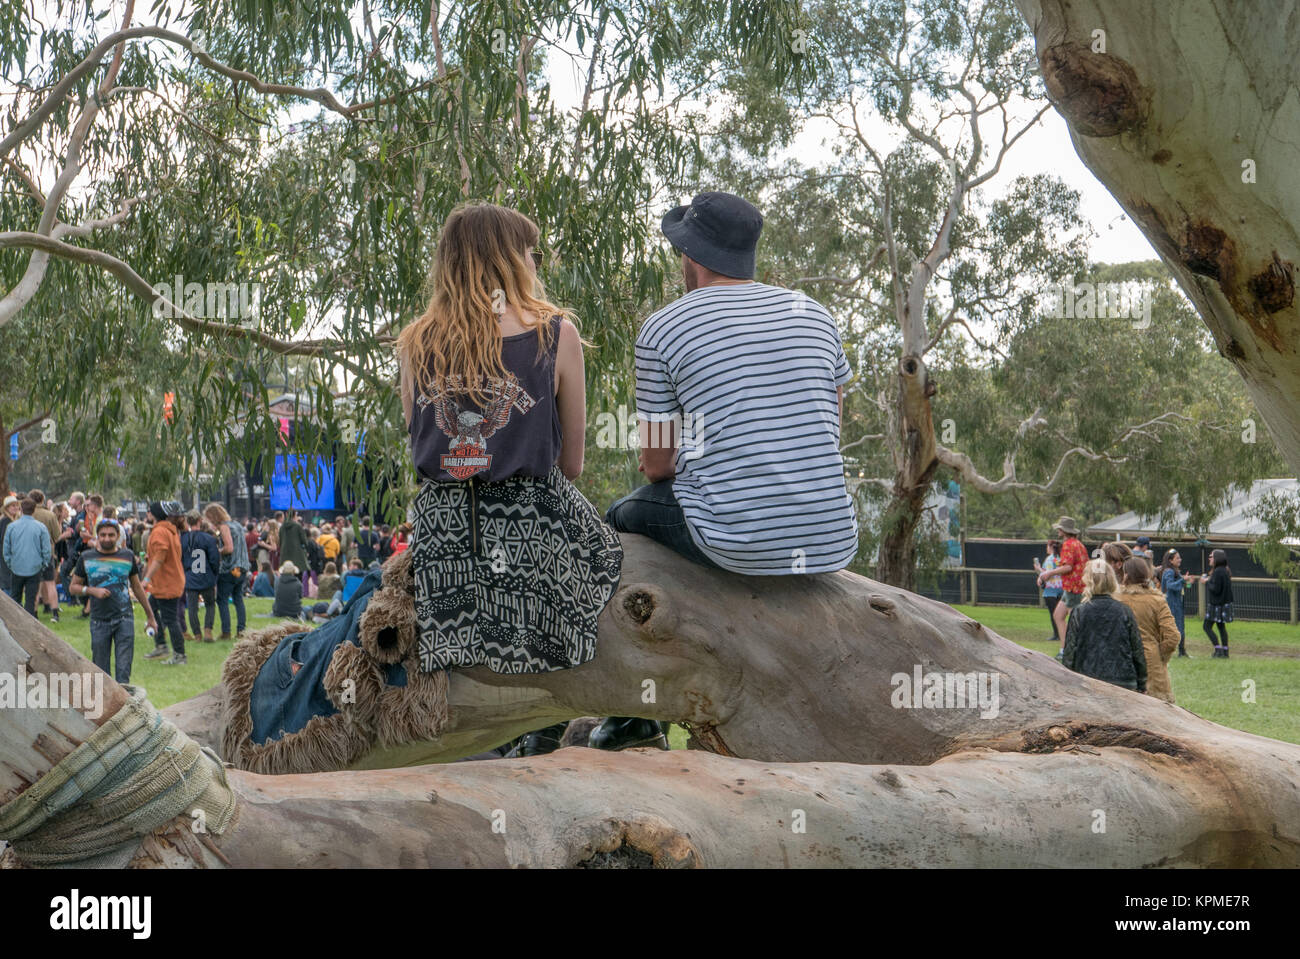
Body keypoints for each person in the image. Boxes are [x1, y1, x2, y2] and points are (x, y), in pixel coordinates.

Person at [595, 191, 857, 751]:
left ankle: (632, 719)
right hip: (831, 536)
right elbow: (831, 429)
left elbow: (655, 463)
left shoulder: (664, 328)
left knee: (619, 520)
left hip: (736, 539)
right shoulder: (814, 313)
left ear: (689, 257)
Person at [397, 201, 623, 759]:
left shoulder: (413, 344)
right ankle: (575, 719)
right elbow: (571, 465)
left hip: (446, 535)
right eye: (529, 250)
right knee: (612, 561)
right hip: (532, 527)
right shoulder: (554, 334)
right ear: (509, 259)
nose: (535, 260)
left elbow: (419, 443)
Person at [70, 518, 156, 684]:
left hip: (124, 618)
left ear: (118, 536)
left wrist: (150, 616)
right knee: (101, 672)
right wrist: (92, 590)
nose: (107, 538)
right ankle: (105, 706)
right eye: (102, 535)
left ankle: (125, 706)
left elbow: (137, 587)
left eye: (111, 535)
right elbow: (73, 587)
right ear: (97, 536)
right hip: (99, 621)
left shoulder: (127, 555)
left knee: (124, 670)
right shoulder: (87, 558)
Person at [1062, 558, 1147, 693]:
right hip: (1123, 681)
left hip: (1088, 680)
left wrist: (1067, 681)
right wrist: (1142, 683)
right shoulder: (1124, 611)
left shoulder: (1079, 612)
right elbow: (1137, 650)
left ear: (1087, 581)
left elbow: (1070, 652)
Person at [1116, 556, 1181, 703]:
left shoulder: (1117, 599)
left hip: (1123, 660)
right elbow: (1172, 637)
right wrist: (1161, 656)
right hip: (1151, 663)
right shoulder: (1156, 601)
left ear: (1126, 575)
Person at [141, 501, 188, 665]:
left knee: (170, 619)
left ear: (153, 514)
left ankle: (179, 655)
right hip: (168, 581)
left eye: (148, 512)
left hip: (166, 583)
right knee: (151, 611)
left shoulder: (160, 531)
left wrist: (146, 579)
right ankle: (161, 645)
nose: (146, 514)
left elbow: (160, 557)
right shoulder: (170, 530)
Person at [1043, 516, 1089, 662]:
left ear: (1063, 530)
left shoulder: (1069, 544)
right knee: (1058, 615)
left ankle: (1077, 651)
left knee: (1076, 622)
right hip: (1073, 586)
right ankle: (1064, 649)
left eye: (1059, 528)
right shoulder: (1079, 544)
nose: (1058, 531)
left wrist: (1049, 573)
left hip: (1074, 588)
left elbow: (1068, 566)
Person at [204, 502, 249, 639]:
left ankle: (226, 631)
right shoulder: (238, 525)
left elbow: (229, 548)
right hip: (242, 568)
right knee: (238, 599)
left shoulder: (224, 527)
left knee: (222, 600)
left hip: (230, 568)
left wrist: (217, 552)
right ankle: (241, 631)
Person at [3, 498, 51, 616]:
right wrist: (43, 565)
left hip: (16, 566)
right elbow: (46, 550)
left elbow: (6, 549)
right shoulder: (41, 527)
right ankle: (29, 623)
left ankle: (14, 622)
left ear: (21, 509)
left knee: (15, 598)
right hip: (35, 568)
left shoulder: (11, 527)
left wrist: (11, 563)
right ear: (34, 510)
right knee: (31, 600)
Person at [180, 510, 221, 643]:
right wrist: (214, 574)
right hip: (206, 576)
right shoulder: (208, 538)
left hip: (190, 577)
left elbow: (179, 558)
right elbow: (214, 558)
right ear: (200, 521)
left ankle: (197, 634)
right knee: (210, 604)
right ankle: (208, 631)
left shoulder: (183, 539)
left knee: (192, 608)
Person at [28, 489, 62, 622]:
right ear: (42, 500)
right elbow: (57, 536)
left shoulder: (27, 514)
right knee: (50, 584)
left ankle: (34, 613)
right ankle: (55, 613)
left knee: (34, 584)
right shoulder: (50, 515)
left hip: (31, 553)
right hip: (47, 553)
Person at [1158, 549, 1196, 657]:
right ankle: (1175, 651)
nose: (1180, 559)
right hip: (1172, 604)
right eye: (1177, 558)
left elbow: (1180, 587)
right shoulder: (1169, 572)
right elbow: (1170, 586)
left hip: (1178, 603)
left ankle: (1182, 651)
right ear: (1170, 560)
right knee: (1174, 628)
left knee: (1180, 627)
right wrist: (1183, 580)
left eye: (1180, 557)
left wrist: (1188, 583)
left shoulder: (1175, 571)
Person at [1201, 548, 1234, 658]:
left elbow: (1215, 589)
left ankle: (1218, 649)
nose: (1209, 559)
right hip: (1223, 604)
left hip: (1217, 606)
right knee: (1221, 627)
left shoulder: (1218, 572)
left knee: (1206, 626)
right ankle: (1225, 651)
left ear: (1216, 559)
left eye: (1211, 556)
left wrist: (1206, 582)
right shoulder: (1224, 570)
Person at [1033, 539, 1063, 644]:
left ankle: (1056, 634)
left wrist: (1038, 569)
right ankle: (1062, 632)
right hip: (1062, 588)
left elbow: (1047, 574)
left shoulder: (1049, 559)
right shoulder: (1061, 558)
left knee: (1054, 613)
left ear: (1050, 547)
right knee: (1061, 614)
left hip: (1051, 589)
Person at [0, 494, 20, 597]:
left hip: (8, 558)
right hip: (6, 559)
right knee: (8, 586)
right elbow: (5, 542)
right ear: (7, 508)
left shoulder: (10, 520)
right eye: (13, 506)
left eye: (16, 505)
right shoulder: (6, 521)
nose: (15, 508)